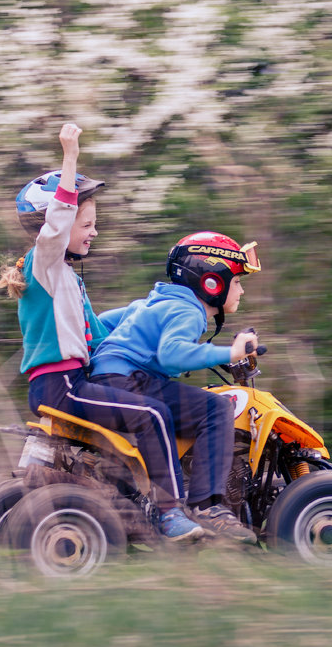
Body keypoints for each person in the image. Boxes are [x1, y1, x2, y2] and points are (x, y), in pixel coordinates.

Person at [0, 123, 205, 542]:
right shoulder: (45, 262)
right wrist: (70, 156)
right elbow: (57, 221)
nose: (93, 231)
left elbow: (99, 328)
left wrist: (149, 311)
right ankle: (170, 513)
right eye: (85, 222)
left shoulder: (64, 278)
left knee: (146, 407)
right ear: (57, 223)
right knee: (153, 414)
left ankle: (140, 502)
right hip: (61, 385)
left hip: (67, 383)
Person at [89, 231, 261, 543]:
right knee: (216, 408)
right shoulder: (189, 311)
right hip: (128, 381)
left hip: (108, 379)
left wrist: (106, 356)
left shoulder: (156, 302)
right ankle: (206, 506)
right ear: (212, 281)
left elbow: (103, 322)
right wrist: (231, 353)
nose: (242, 290)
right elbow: (172, 355)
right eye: (237, 282)